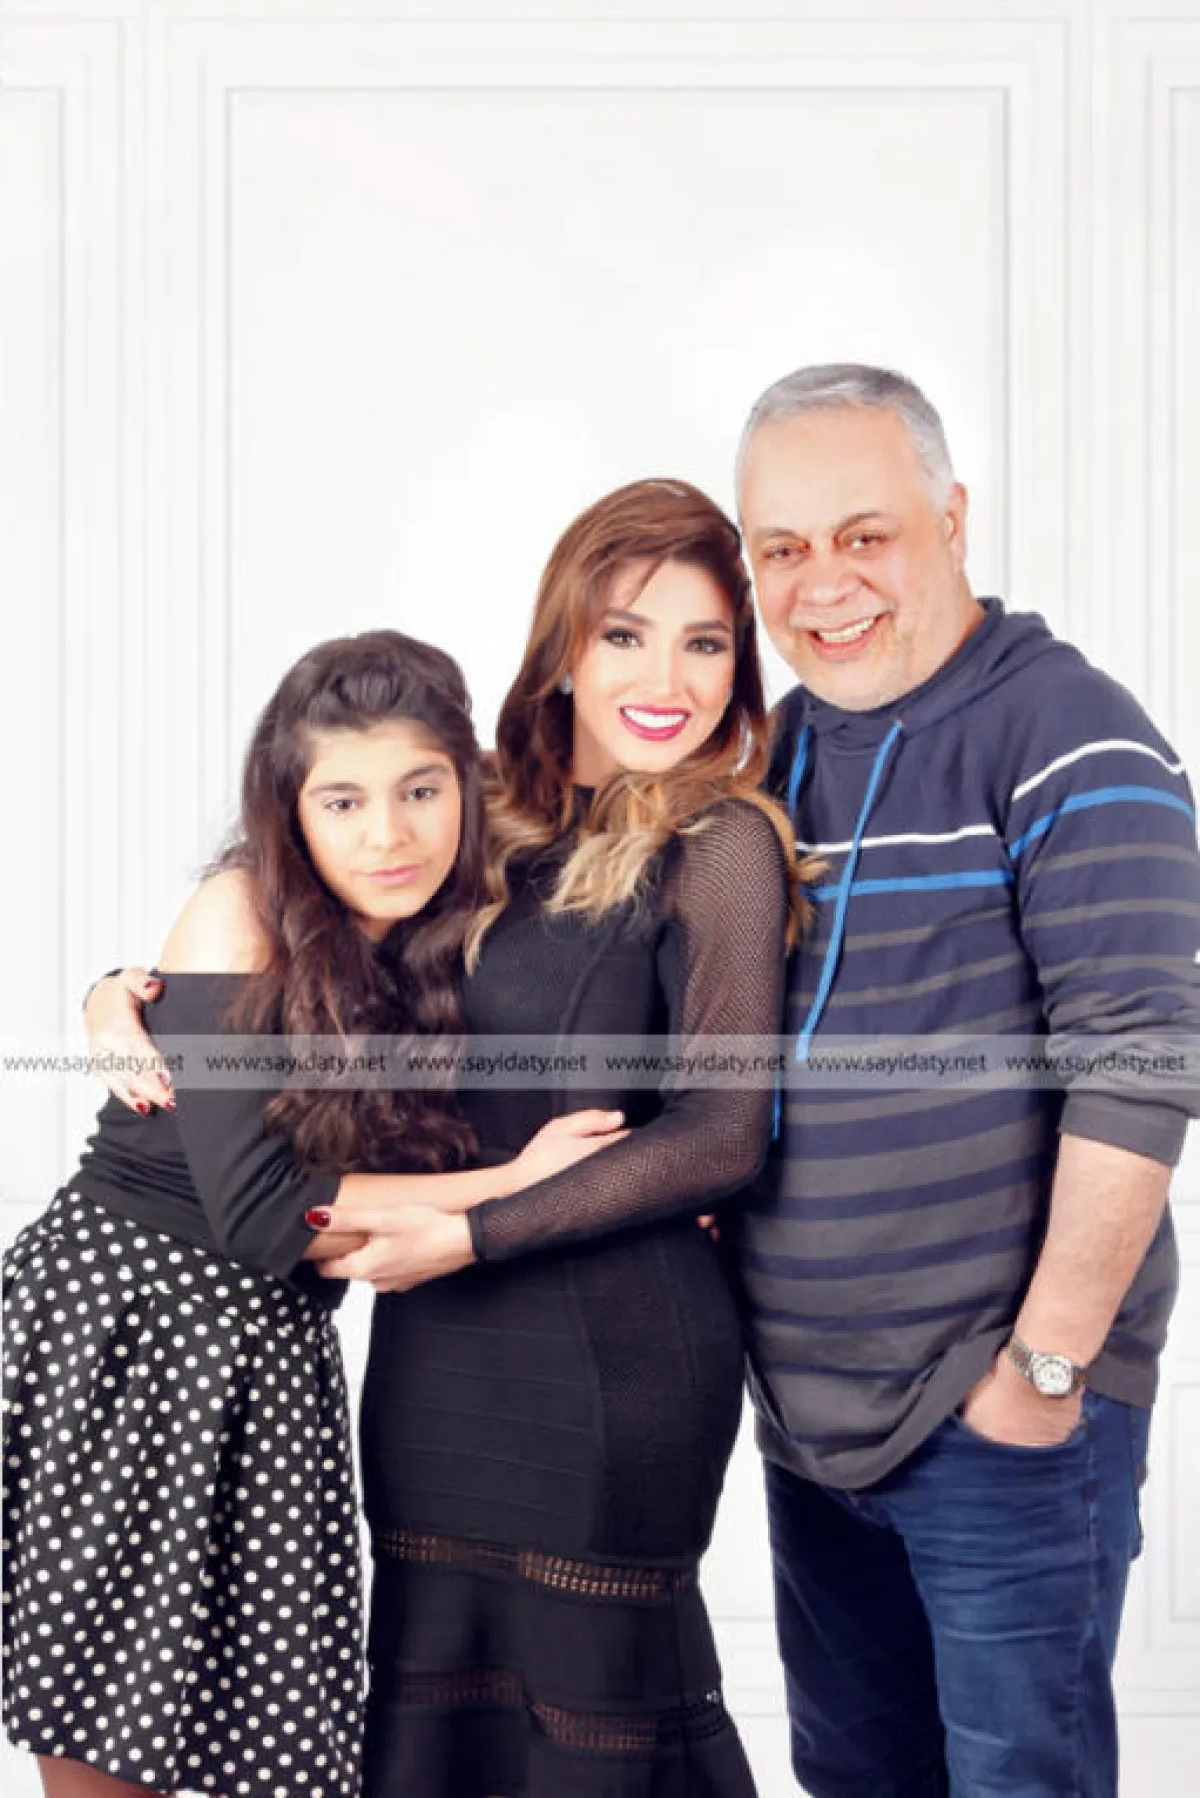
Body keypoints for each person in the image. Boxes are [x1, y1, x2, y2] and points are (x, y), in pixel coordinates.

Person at [78, 478, 805, 1797]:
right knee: (437, 1733)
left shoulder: (719, 841)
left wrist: (473, 1230)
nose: (666, 680)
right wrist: (126, 993)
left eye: (705, 642)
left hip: (610, 1358)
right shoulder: (468, 808)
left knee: (599, 1731)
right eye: (625, 634)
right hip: (436, 1362)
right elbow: (287, 904)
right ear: (565, 642)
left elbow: (719, 1135)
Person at [3, 629, 625, 1798]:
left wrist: (669, 1180)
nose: (387, 834)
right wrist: (518, 1180)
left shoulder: (457, 913)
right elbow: (262, 1213)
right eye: (342, 801)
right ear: (291, 811)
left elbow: (623, 791)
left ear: (465, 784)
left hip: (271, 1349)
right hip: (133, 1326)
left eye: (420, 790)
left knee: (269, 1733)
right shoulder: (241, 908)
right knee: (107, 1728)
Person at [733, 363, 1200, 1797]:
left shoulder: (1068, 730)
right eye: (781, 547)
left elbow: (1142, 1062)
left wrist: (1044, 1375)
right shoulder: (777, 752)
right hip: (810, 1429)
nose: (823, 584)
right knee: (857, 1780)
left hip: (1003, 1422)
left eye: (864, 534)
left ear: (951, 517)